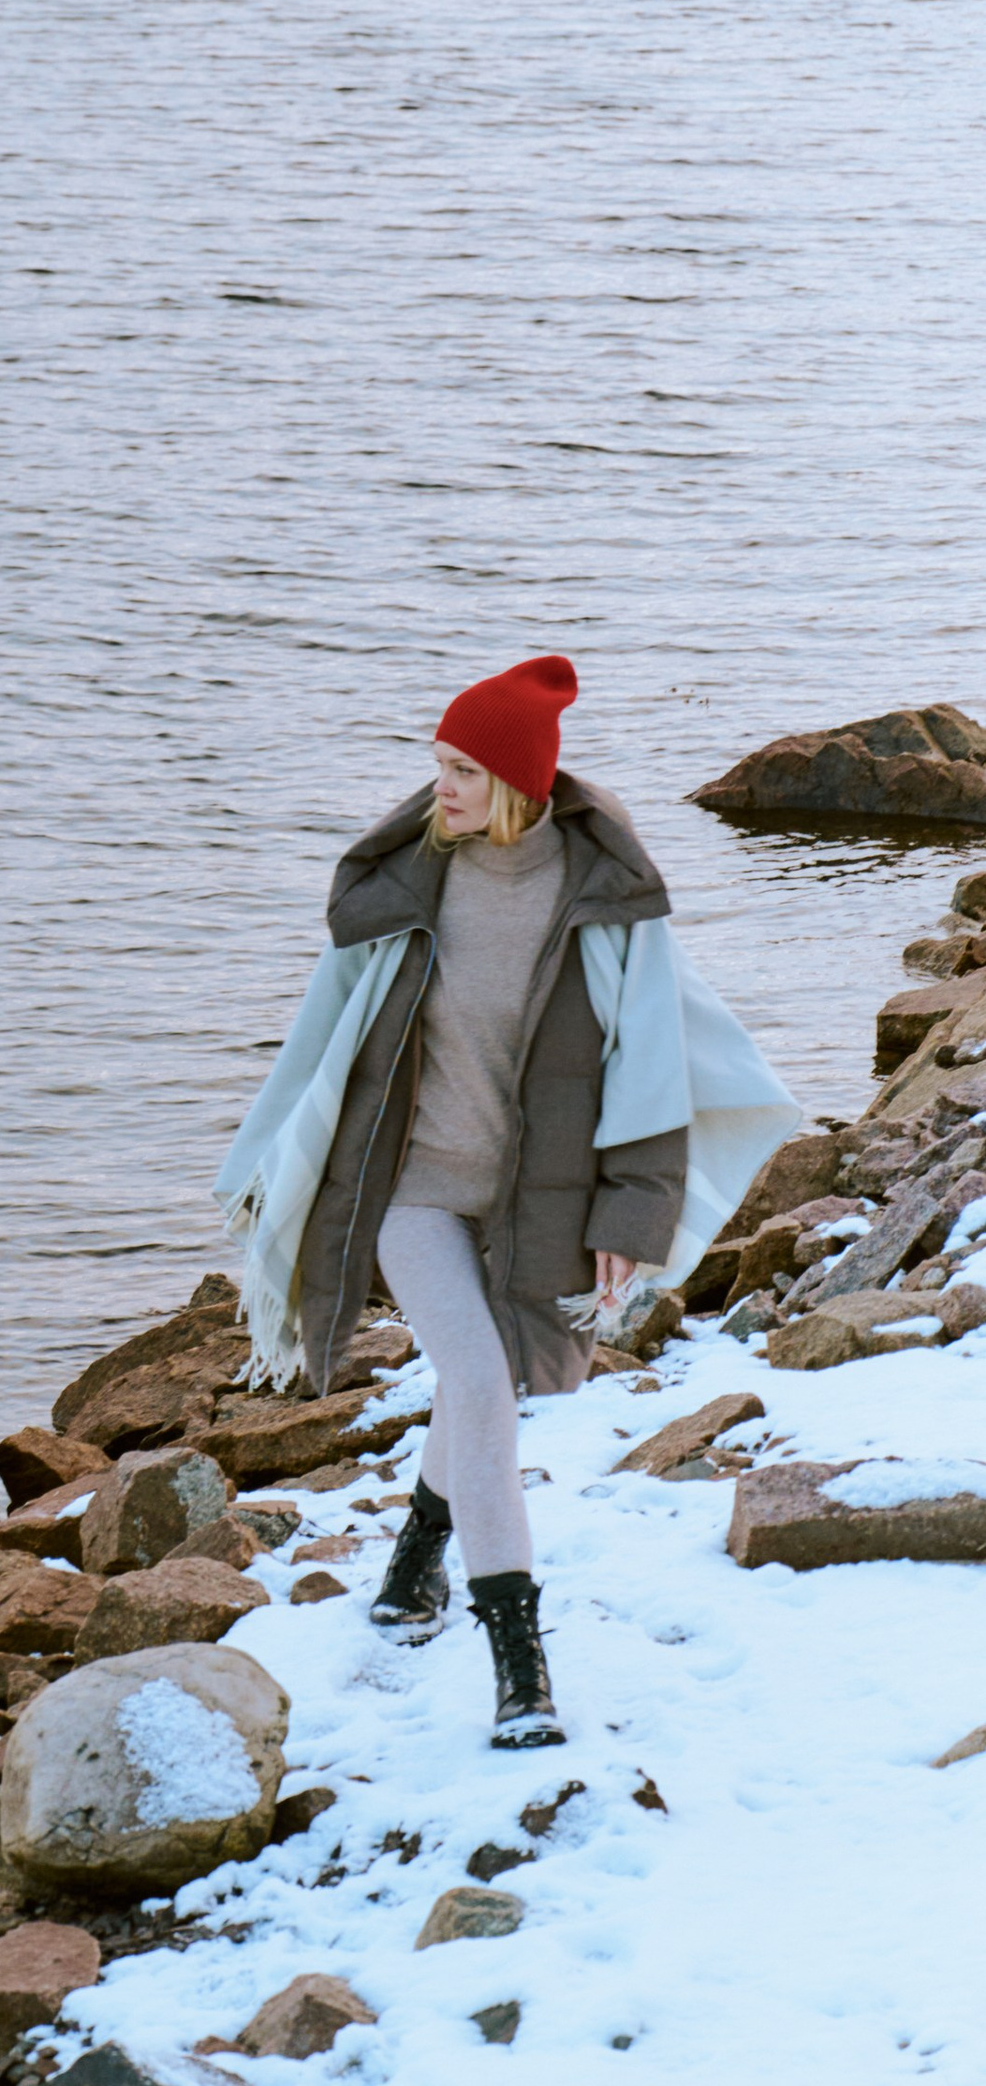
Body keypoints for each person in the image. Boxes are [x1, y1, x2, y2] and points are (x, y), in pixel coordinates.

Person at [214, 655, 799, 1751]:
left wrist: (631, 1211)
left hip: (532, 1197)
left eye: (462, 769)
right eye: (436, 763)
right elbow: (321, 1048)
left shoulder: (601, 899)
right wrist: (274, 1173)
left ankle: (414, 1556)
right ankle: (518, 1664)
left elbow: (649, 1060)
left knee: (479, 1394)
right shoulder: (404, 887)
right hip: (415, 1190)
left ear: (518, 783)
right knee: (479, 1378)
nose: (439, 786)